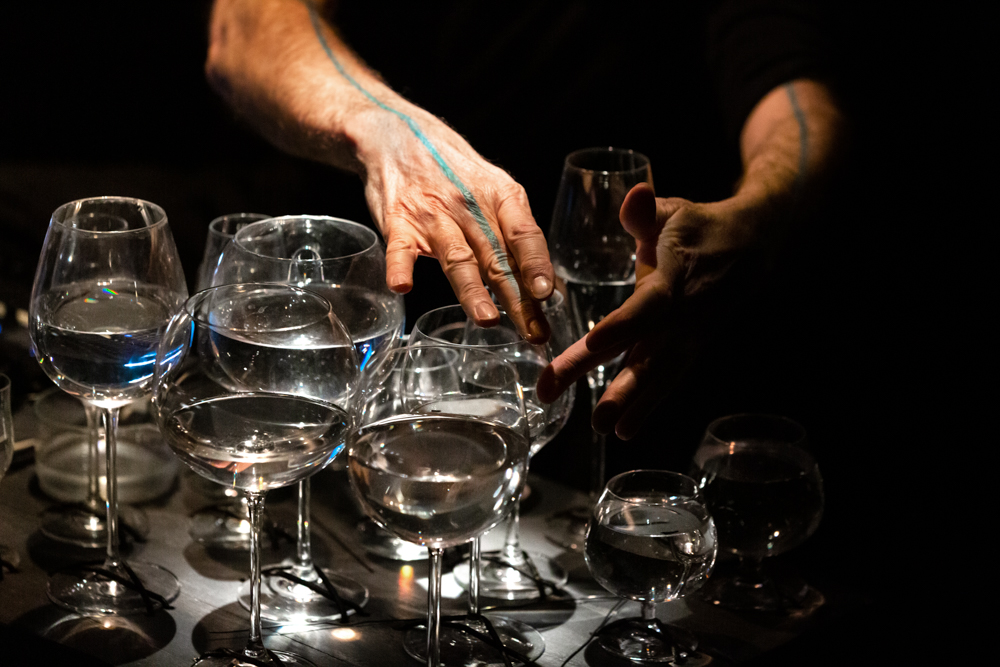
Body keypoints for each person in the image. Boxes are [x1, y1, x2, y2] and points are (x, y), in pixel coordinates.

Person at [204, 0, 845, 439]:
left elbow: (792, 85)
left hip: (621, 367)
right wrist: (384, 125)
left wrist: (763, 212)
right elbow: (246, 31)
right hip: (378, 344)